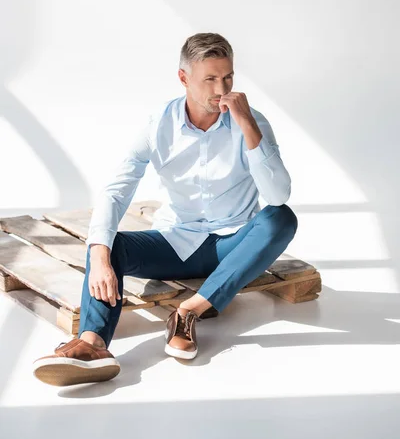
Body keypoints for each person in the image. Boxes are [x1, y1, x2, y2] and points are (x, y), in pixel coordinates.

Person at [33, 32, 298, 387]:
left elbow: (278, 194)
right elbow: (118, 188)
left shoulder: (251, 121)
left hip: (233, 242)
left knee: (281, 218)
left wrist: (247, 123)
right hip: (178, 242)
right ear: (184, 78)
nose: (222, 89)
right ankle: (93, 343)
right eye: (210, 79)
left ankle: (188, 311)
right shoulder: (160, 123)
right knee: (111, 245)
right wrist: (98, 256)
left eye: (228, 77)